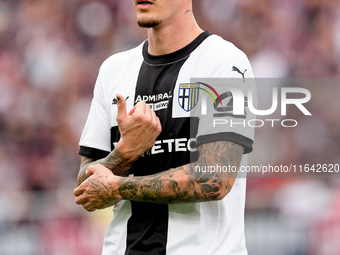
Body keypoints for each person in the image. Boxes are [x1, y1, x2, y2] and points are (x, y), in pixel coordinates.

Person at [74, 0, 256, 254]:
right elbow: (85, 187)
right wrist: (125, 153)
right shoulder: (113, 71)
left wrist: (117, 186)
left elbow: (215, 178)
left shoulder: (225, 63)